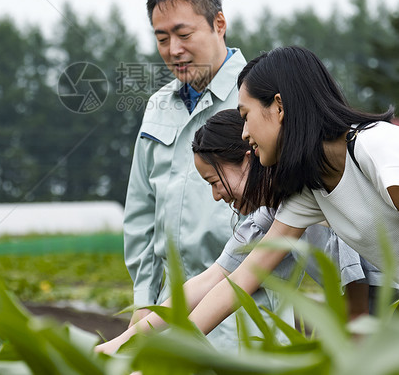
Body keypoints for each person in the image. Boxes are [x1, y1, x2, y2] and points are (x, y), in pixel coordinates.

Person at [118, 46, 399, 343]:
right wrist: (165, 348)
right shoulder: (311, 189)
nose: (244, 133)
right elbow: (241, 280)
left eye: (247, 116)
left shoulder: (379, 149)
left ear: (280, 108)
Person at [97, 109, 378, 354]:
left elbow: (360, 308)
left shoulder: (321, 197)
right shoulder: (271, 215)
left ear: (247, 158)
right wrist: (121, 343)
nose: (216, 195)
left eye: (214, 181)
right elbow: (210, 281)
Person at [123, 0, 254, 349]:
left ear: (218, 24)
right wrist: (145, 299)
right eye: (162, 38)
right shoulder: (158, 106)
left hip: (244, 307)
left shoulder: (258, 99)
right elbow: (141, 211)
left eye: (183, 34)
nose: (173, 49)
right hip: (169, 307)